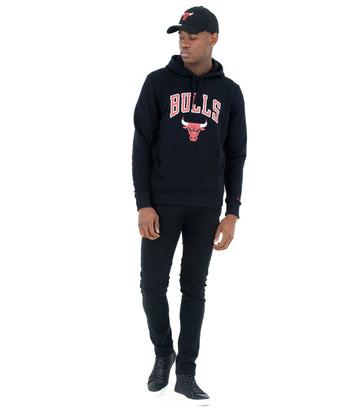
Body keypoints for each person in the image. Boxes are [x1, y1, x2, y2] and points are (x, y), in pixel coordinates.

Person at [132, 6, 247, 405]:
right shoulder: (157, 83)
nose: (184, 42)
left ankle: (186, 372)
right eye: (181, 35)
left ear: (213, 38)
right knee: (151, 286)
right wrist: (143, 204)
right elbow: (141, 146)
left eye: (193, 36)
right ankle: (163, 352)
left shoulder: (229, 92)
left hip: (205, 206)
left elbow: (236, 154)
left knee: (193, 287)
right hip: (162, 204)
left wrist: (232, 212)